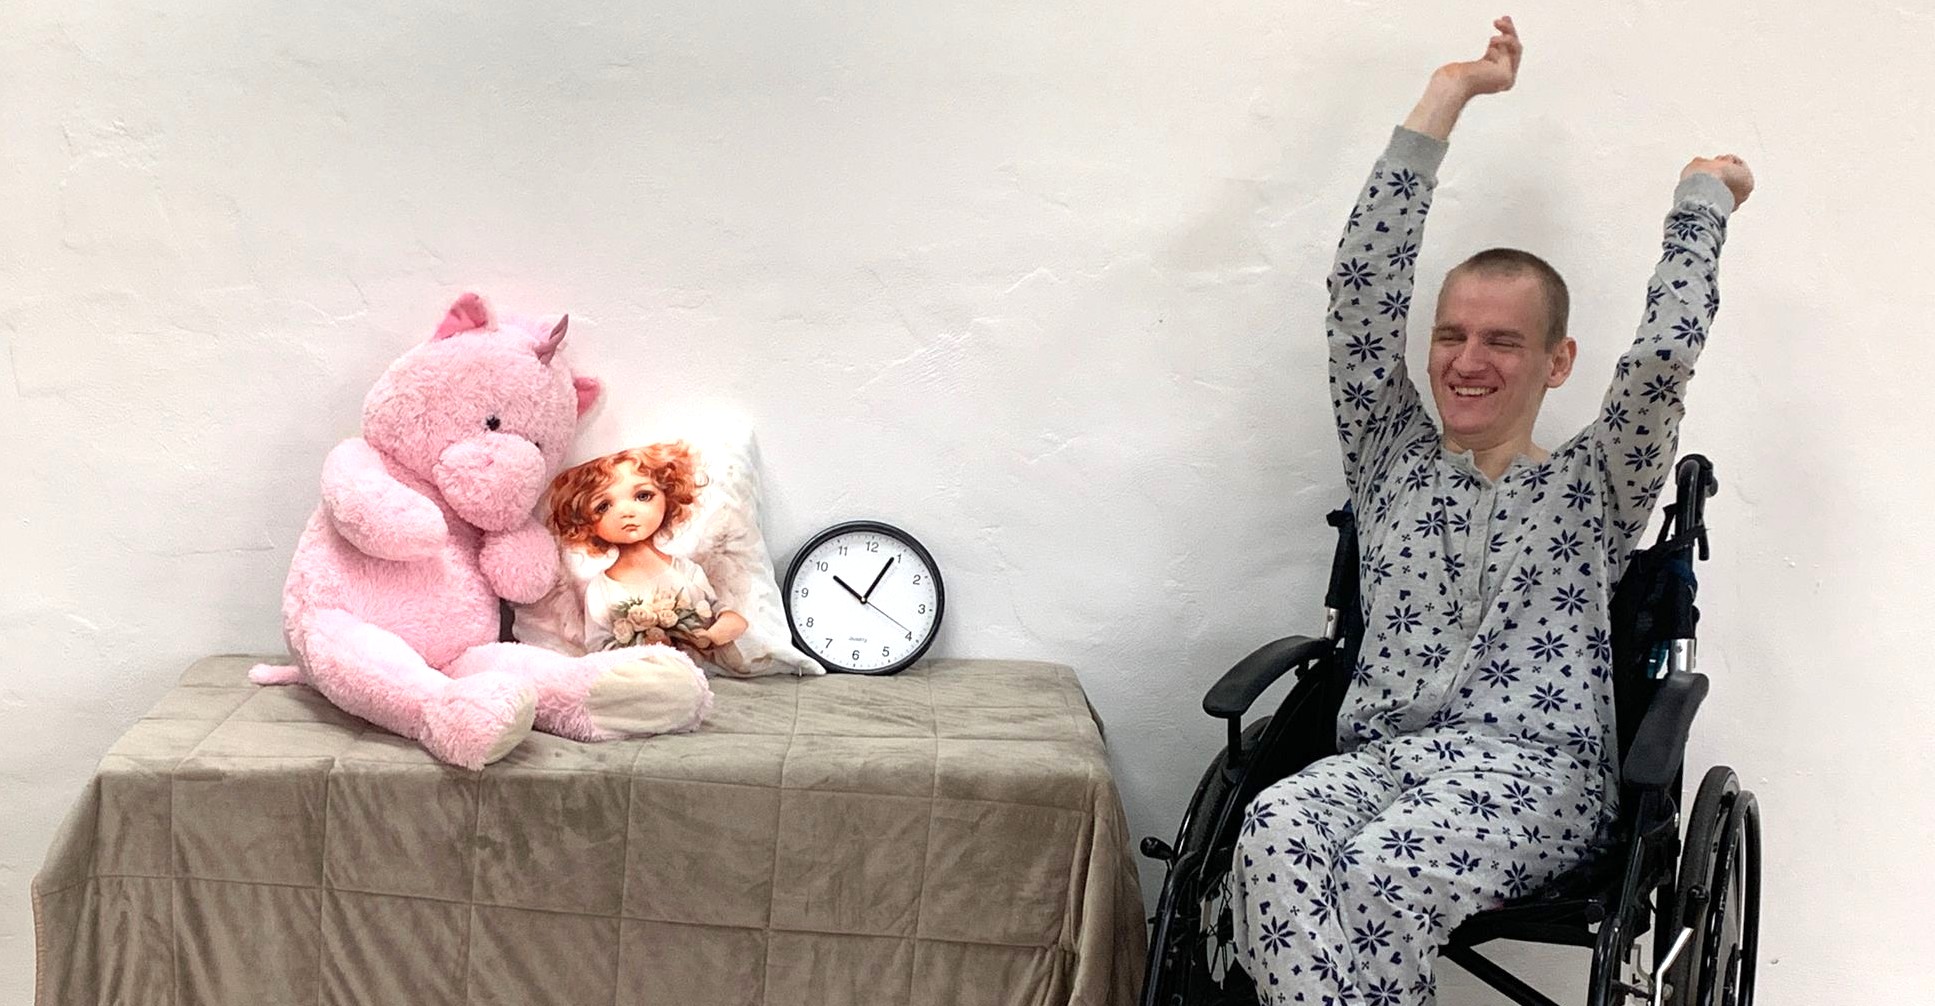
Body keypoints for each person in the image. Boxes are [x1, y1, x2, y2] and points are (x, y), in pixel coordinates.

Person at [1215, 16, 1753, 1004]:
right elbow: (1360, 292)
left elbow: (1661, 363)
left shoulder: (1597, 484)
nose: (1468, 360)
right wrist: (1448, 93)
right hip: (1379, 758)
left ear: (1557, 361)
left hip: (1538, 774)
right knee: (1274, 831)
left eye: (1502, 341)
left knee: (1381, 868)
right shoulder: (1391, 458)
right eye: (1451, 335)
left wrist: (1701, 203)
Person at [545, 442, 750, 662]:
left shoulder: (685, 571)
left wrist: (713, 634)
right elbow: (599, 649)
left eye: (643, 496)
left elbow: (720, 613)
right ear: (585, 522)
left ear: (668, 496)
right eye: (603, 506)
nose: (626, 512)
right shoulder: (601, 590)